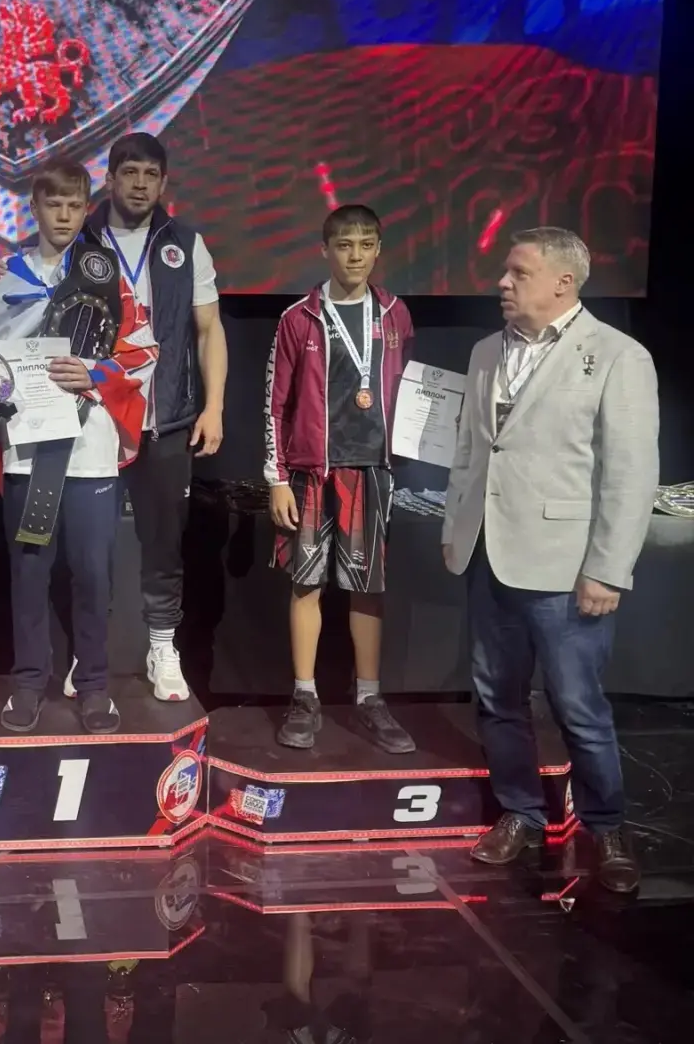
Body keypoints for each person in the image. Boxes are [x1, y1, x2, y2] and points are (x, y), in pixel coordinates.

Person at [442, 228, 659, 895]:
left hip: (566, 568)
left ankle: (606, 825)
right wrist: (456, 524)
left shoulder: (618, 355)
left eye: (518, 273)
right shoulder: (486, 351)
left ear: (564, 282)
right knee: (497, 698)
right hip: (489, 554)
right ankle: (520, 812)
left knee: (577, 705)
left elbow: (630, 473)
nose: (502, 283)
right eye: (505, 272)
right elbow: (471, 450)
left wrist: (609, 567)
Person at [0, 134, 225, 703]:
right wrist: (1, 272)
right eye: (128, 173)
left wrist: (213, 406)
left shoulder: (185, 243)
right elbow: (31, 283)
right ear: (109, 181)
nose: (140, 184)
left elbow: (206, 329)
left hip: (163, 414)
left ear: (164, 182)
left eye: (150, 174)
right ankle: (82, 658)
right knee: (78, 554)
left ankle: (161, 646)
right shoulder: (81, 238)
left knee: (159, 543)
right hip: (79, 422)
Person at [0, 160, 157, 734]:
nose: (65, 216)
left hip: (89, 450)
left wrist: (94, 374)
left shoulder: (106, 273)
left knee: (93, 575)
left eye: (75, 205)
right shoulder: (6, 276)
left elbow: (143, 350)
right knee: (29, 574)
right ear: (35, 208)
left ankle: (93, 685)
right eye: (54, 205)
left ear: (85, 208)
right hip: (27, 448)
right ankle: (28, 683)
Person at [264, 205, 416, 755]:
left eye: (365, 245)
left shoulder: (395, 314)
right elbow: (275, 404)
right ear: (325, 250)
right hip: (311, 473)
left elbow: (409, 390)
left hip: (370, 471)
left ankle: (370, 698)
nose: (355, 256)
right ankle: (304, 695)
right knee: (306, 584)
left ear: (378, 249)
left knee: (368, 588)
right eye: (344, 245)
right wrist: (276, 477)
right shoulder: (298, 317)